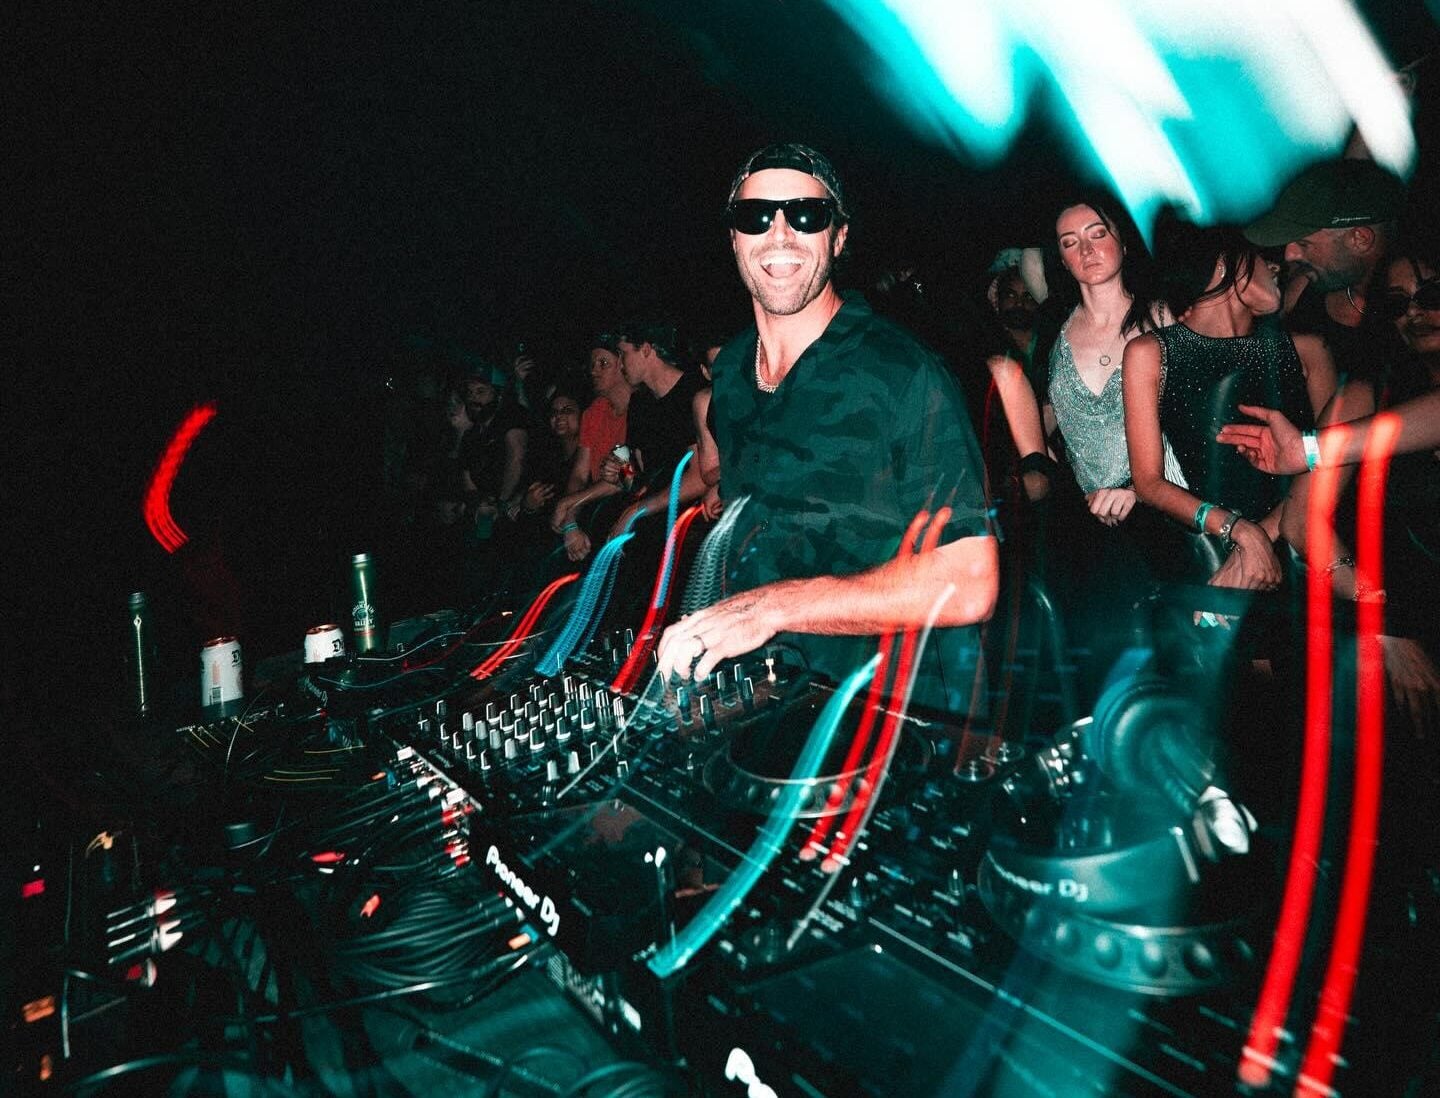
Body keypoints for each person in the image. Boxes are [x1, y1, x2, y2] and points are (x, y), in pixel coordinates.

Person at [656, 143, 996, 718]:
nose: (780, 233)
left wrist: (771, 608)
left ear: (838, 238)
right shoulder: (732, 371)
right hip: (774, 699)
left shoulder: (901, 371)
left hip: (896, 713)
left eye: (806, 214)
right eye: (755, 216)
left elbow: (970, 580)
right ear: (734, 238)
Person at [1122, 219, 1336, 590]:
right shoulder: (1150, 352)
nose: (1275, 267)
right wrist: (1237, 530)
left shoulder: (1309, 349)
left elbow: (1334, 463)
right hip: (1212, 552)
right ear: (1225, 263)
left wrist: (1261, 534)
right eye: (1261, 257)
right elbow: (1148, 483)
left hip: (1306, 547)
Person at [1243, 158, 1406, 379]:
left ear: (1360, 239)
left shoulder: (1423, 312)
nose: (1290, 255)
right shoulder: (1302, 288)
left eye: (1303, 244)